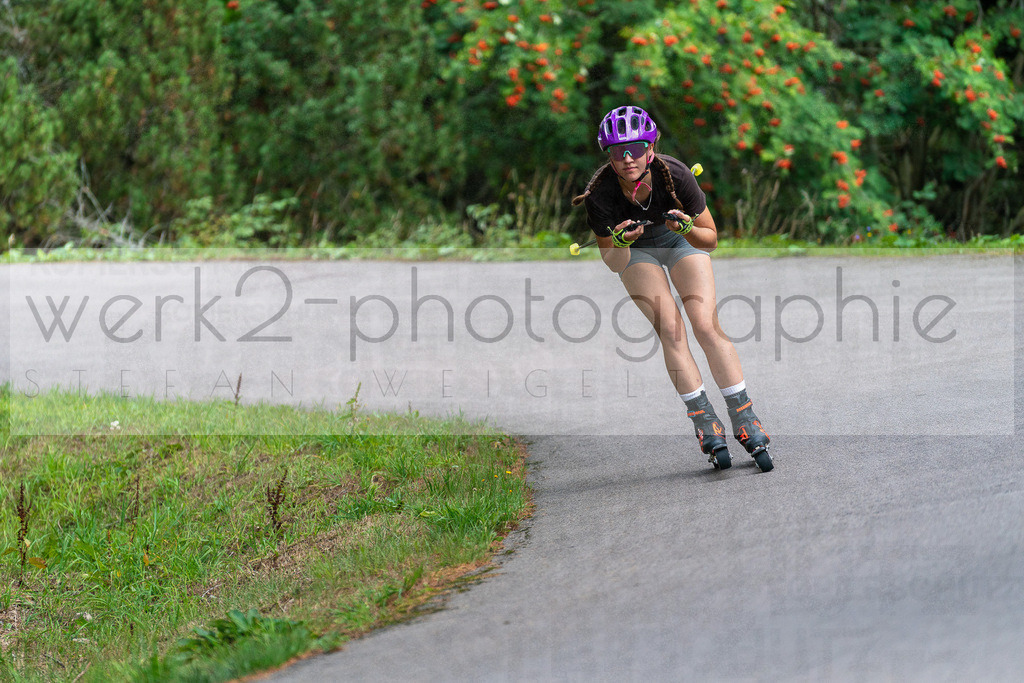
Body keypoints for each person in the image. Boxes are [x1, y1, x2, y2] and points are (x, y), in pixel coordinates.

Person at [571, 105, 773, 471]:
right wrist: (619, 241)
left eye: (636, 147)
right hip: (635, 250)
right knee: (670, 327)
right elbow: (613, 263)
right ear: (609, 156)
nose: (628, 158)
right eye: (618, 151)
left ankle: (745, 416)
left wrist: (685, 230)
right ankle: (704, 421)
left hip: (678, 239)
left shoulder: (675, 175)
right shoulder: (600, 196)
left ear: (651, 148)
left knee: (704, 323)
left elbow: (710, 239)